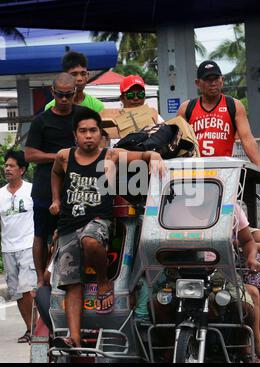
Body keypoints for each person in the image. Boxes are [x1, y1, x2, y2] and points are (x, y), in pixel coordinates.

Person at [49, 107, 165, 348]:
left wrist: (154, 157)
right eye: (83, 131)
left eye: (93, 130)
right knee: (71, 283)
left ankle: (103, 281)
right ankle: (75, 338)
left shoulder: (110, 156)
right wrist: (56, 200)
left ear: (99, 133)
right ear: (75, 135)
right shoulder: (64, 156)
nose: (88, 135)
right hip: (69, 223)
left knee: (90, 241)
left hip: (98, 220)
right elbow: (55, 173)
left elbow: (141, 156)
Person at [24, 73, 86, 290]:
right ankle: (40, 279)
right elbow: (29, 155)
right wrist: (60, 156)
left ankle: (72, 276)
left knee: (77, 232)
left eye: (68, 95)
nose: (64, 99)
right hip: (44, 188)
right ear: (53, 93)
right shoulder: (41, 120)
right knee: (41, 233)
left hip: (78, 187)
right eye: (60, 95)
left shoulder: (83, 116)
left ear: (74, 93)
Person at [177, 60, 260, 168]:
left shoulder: (234, 106)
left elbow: (247, 139)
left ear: (222, 80)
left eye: (216, 79)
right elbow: (176, 142)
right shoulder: (186, 108)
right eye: (207, 80)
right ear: (197, 83)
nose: (213, 83)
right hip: (196, 171)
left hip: (224, 171)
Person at [0, 150, 36, 343]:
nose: (7, 168)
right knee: (18, 293)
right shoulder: (0, 195)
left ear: (22, 169)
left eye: (12, 165)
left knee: (29, 289)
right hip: (8, 249)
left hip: (28, 246)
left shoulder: (31, 190)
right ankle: (30, 329)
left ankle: (37, 329)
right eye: (6, 165)